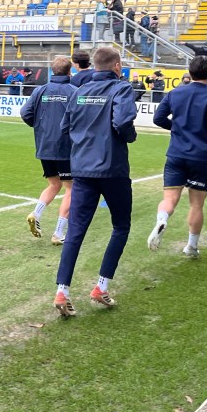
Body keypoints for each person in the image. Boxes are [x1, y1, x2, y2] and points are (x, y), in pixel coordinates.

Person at [52, 47, 137, 316]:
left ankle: (62, 291)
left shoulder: (79, 91)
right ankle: (101, 286)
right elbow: (123, 122)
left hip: (82, 170)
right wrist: (130, 136)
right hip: (112, 169)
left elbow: (65, 128)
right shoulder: (121, 88)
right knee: (121, 226)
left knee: (75, 232)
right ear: (117, 66)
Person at [147, 56, 207, 258]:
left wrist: (177, 128)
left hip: (176, 154)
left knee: (169, 198)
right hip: (200, 156)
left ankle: (162, 219)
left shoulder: (175, 92)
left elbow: (158, 118)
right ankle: (191, 247)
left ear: (190, 72)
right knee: (196, 204)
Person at [21, 57, 75, 245]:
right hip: (65, 147)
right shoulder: (74, 91)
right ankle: (58, 233)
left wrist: (40, 127)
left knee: (54, 184)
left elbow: (25, 113)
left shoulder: (40, 90)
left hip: (44, 145)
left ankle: (36, 213)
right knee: (71, 188)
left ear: (52, 71)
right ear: (69, 72)